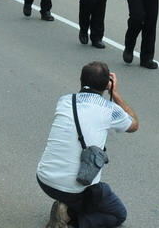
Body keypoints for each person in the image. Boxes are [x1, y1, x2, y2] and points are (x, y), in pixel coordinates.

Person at [37, 62, 139, 228]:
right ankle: (67, 217)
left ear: (80, 80)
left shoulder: (64, 100)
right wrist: (115, 94)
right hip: (75, 188)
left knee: (88, 196)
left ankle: (66, 205)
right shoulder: (109, 109)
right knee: (117, 214)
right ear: (107, 84)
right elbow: (134, 125)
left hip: (44, 179)